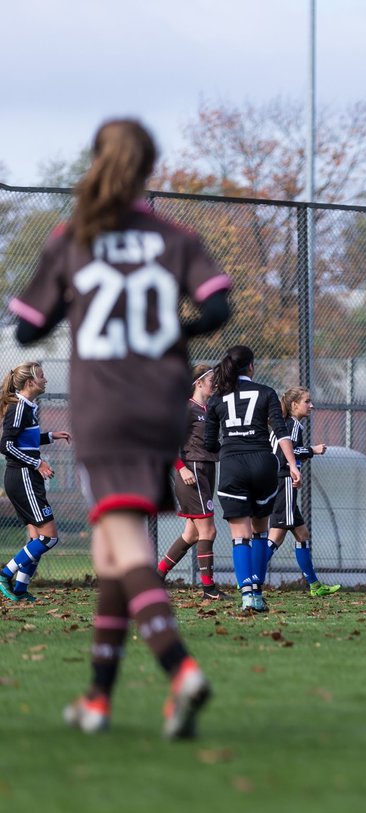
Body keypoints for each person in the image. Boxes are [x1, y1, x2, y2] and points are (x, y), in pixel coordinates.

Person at [10, 118, 230, 737]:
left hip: (103, 409)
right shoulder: (173, 235)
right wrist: (171, 335)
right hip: (162, 404)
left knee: (125, 545)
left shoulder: (73, 235)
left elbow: (25, 326)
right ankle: (98, 700)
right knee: (113, 552)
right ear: (149, 168)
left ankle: (181, 668)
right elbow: (218, 304)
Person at [205, 345, 301, 614]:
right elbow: (281, 432)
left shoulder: (216, 399)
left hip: (233, 465)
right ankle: (258, 592)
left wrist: (225, 451)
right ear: (251, 366)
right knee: (260, 531)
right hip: (263, 464)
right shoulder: (266, 393)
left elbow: (210, 442)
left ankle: (247, 595)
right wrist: (292, 465)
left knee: (240, 536)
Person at [0, 362, 71, 603]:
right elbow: (6, 445)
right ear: (30, 382)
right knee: (49, 538)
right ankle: (5, 574)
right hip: (22, 477)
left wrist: (51, 436)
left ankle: (20, 589)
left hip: (25, 477)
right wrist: (37, 464)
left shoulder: (28, 406)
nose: (46, 380)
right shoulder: (19, 406)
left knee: (36, 538)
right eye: (41, 376)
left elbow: (25, 441)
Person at [156, 364, 224, 600]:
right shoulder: (187, 409)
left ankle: (156, 577)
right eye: (211, 379)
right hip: (192, 470)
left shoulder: (210, 408)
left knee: (192, 535)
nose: (214, 383)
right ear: (198, 382)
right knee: (209, 530)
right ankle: (209, 590)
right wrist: (181, 467)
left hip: (207, 468)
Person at [266, 387, 341, 597]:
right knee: (278, 536)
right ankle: (250, 576)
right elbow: (284, 453)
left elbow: (289, 453)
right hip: (284, 483)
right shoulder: (292, 425)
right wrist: (313, 450)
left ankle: (315, 585)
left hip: (283, 482)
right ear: (294, 405)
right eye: (307, 401)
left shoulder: (290, 425)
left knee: (301, 534)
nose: (311, 405)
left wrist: (303, 456)